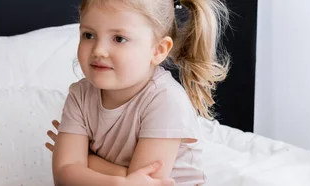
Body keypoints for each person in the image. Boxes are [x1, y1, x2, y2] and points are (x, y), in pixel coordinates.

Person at [46, 0, 230, 185]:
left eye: (119, 39)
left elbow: (146, 182)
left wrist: (86, 159)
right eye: (88, 35)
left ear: (158, 50)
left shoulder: (166, 100)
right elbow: (63, 176)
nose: (99, 50)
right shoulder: (80, 95)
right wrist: (119, 182)